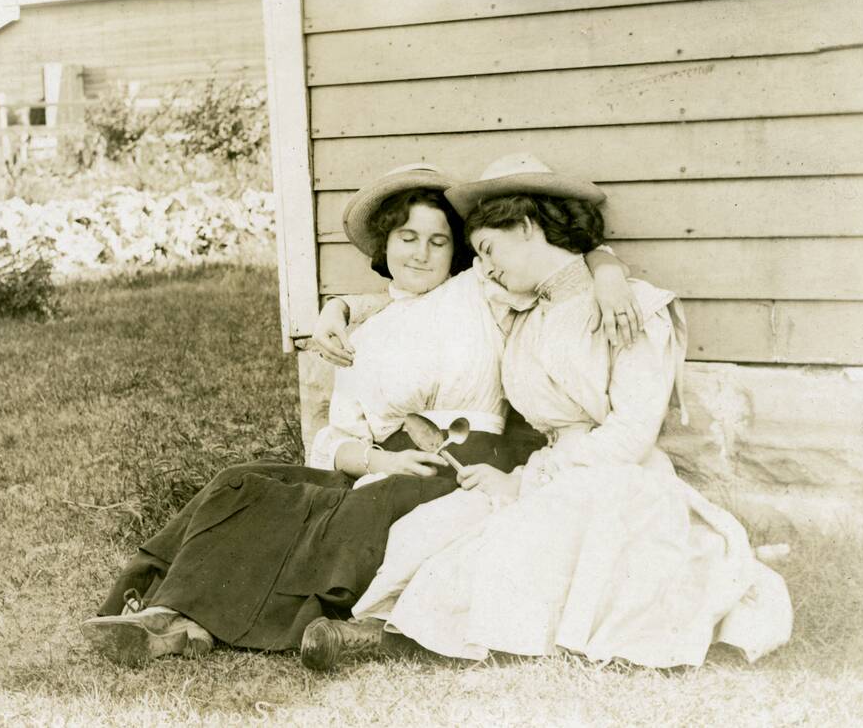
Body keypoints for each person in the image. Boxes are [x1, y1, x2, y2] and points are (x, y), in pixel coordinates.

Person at [80, 163, 637, 665]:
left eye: (438, 242)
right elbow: (336, 437)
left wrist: (607, 268)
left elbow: (549, 258)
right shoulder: (359, 331)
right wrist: (370, 441)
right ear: (385, 244)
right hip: (379, 463)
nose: (420, 253)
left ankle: (189, 623)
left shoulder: (480, 292)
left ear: (458, 254)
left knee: (354, 509)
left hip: (453, 467)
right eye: (407, 237)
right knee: (240, 482)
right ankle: (165, 612)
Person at [308, 154, 793, 671]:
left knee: (517, 540)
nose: (485, 266)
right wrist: (338, 307)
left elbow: (630, 435)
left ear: (525, 226)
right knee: (431, 527)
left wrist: (605, 271)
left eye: (489, 249)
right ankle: (381, 626)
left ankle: (392, 639)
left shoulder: (633, 309)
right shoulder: (521, 312)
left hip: (615, 476)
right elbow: (408, 302)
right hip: (544, 472)